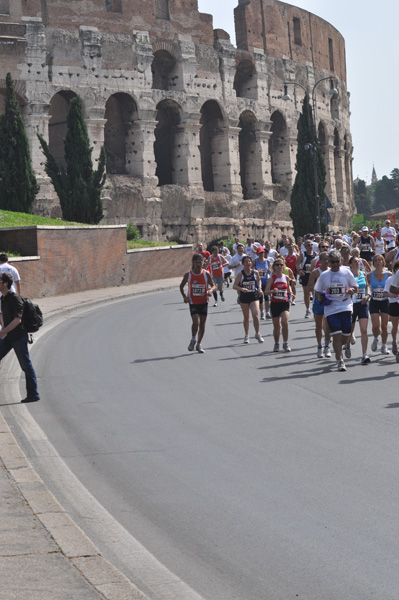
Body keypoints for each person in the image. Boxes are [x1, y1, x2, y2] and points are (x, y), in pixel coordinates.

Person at [314, 250, 358, 372]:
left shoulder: (346, 272)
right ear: (329, 262)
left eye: (337, 262)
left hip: (345, 306)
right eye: (332, 262)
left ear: (341, 261)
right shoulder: (324, 275)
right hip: (331, 308)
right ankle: (340, 360)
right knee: (336, 334)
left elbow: (355, 287)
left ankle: (339, 344)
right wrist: (319, 297)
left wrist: (351, 290)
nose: (335, 264)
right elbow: (317, 289)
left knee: (345, 335)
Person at [0, 272, 40, 402]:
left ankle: (33, 394)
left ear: (5, 283)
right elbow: (4, 317)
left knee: (25, 366)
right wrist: (3, 329)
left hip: (18, 337)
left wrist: (3, 331)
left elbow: (18, 320)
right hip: (8, 338)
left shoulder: (15, 298)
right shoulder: (3, 298)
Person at [179, 254, 216, 354]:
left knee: (202, 324)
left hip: (204, 301)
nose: (198, 264)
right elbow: (181, 286)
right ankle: (193, 339)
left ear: (203, 263)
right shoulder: (188, 275)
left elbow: (213, 286)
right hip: (193, 302)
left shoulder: (206, 274)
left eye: (200, 262)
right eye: (196, 262)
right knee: (196, 322)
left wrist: (211, 291)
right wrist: (184, 297)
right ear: (193, 263)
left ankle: (199, 344)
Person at [344, 255, 371, 364]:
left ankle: (364, 354)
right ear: (350, 264)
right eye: (355, 261)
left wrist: (368, 295)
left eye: (358, 261)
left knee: (364, 330)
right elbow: (344, 288)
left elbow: (367, 286)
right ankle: (347, 345)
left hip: (363, 304)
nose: (357, 263)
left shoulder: (363, 274)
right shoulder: (347, 276)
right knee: (350, 329)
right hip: (351, 305)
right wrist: (349, 290)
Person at [264, 258, 294, 352]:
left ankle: (285, 343)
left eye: (281, 265)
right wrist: (272, 291)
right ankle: (276, 343)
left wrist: (291, 293)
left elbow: (288, 287)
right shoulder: (271, 278)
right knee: (277, 326)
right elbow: (266, 292)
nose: (279, 266)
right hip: (275, 304)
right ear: (274, 267)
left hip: (284, 303)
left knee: (285, 322)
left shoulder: (285, 277)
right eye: (277, 265)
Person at [233, 255, 264, 344]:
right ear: (243, 264)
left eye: (249, 261)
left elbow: (259, 281)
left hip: (254, 296)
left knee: (255, 314)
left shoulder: (255, 272)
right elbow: (234, 286)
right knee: (246, 317)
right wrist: (242, 289)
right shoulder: (241, 274)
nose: (248, 263)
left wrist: (260, 288)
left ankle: (257, 333)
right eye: (246, 262)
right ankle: (246, 335)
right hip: (244, 297)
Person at [366, 254, 391, 355]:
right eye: (375, 260)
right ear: (373, 263)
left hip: (385, 301)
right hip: (374, 301)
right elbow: (366, 286)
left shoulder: (389, 275)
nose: (377, 262)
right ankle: (376, 338)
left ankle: (384, 346)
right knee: (376, 326)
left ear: (383, 262)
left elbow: (393, 285)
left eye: (379, 260)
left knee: (384, 326)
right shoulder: (369, 275)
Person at [308, 251, 331, 358]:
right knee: (318, 326)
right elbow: (309, 287)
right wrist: (318, 291)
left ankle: (327, 346)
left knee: (328, 326)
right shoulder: (315, 272)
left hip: (329, 301)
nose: (326, 261)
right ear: (320, 261)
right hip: (318, 301)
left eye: (328, 259)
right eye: (324, 259)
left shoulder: (332, 272)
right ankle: (319, 346)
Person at [384, 259, 399, 361]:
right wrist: (392, 295)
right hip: (394, 304)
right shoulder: (390, 279)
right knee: (395, 327)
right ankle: (394, 342)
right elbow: (387, 291)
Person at [297, 239, 316, 318]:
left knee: (315, 292)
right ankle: (308, 309)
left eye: (311, 245)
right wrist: (299, 270)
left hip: (313, 275)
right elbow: (297, 264)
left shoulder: (316, 254)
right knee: (306, 293)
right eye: (308, 245)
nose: (310, 246)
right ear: (305, 247)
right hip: (305, 275)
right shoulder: (303, 254)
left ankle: (315, 308)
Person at [254, 247, 271, 320]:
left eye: (262, 252)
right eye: (260, 253)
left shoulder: (267, 261)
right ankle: (262, 312)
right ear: (257, 253)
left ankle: (267, 312)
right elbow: (250, 269)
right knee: (260, 298)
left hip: (266, 281)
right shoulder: (255, 261)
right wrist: (256, 271)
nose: (262, 254)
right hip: (258, 282)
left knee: (267, 297)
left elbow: (269, 269)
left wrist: (269, 270)